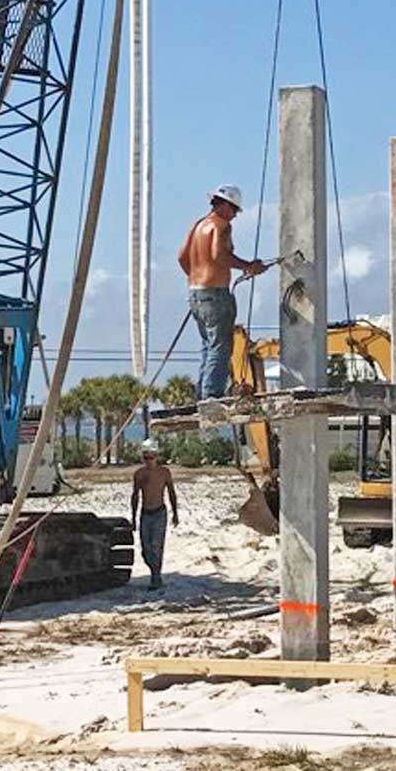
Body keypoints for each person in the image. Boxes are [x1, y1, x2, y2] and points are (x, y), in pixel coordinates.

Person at [177, 184, 266, 399]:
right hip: (215, 294)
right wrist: (248, 266)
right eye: (234, 210)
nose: (234, 216)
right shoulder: (221, 225)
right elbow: (219, 255)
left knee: (208, 346)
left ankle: (203, 394)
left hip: (196, 293)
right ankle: (211, 397)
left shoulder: (198, 226)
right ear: (225, 205)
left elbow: (182, 257)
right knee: (221, 347)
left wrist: (197, 278)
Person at [130, 439, 179, 590]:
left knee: (156, 546)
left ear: (156, 456)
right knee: (146, 550)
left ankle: (156, 578)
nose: (148, 461)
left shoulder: (164, 472)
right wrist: (133, 517)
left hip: (159, 513)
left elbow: (171, 492)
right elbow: (135, 495)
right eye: (146, 458)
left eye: (151, 457)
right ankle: (154, 572)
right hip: (145, 514)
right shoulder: (139, 474)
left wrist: (175, 513)